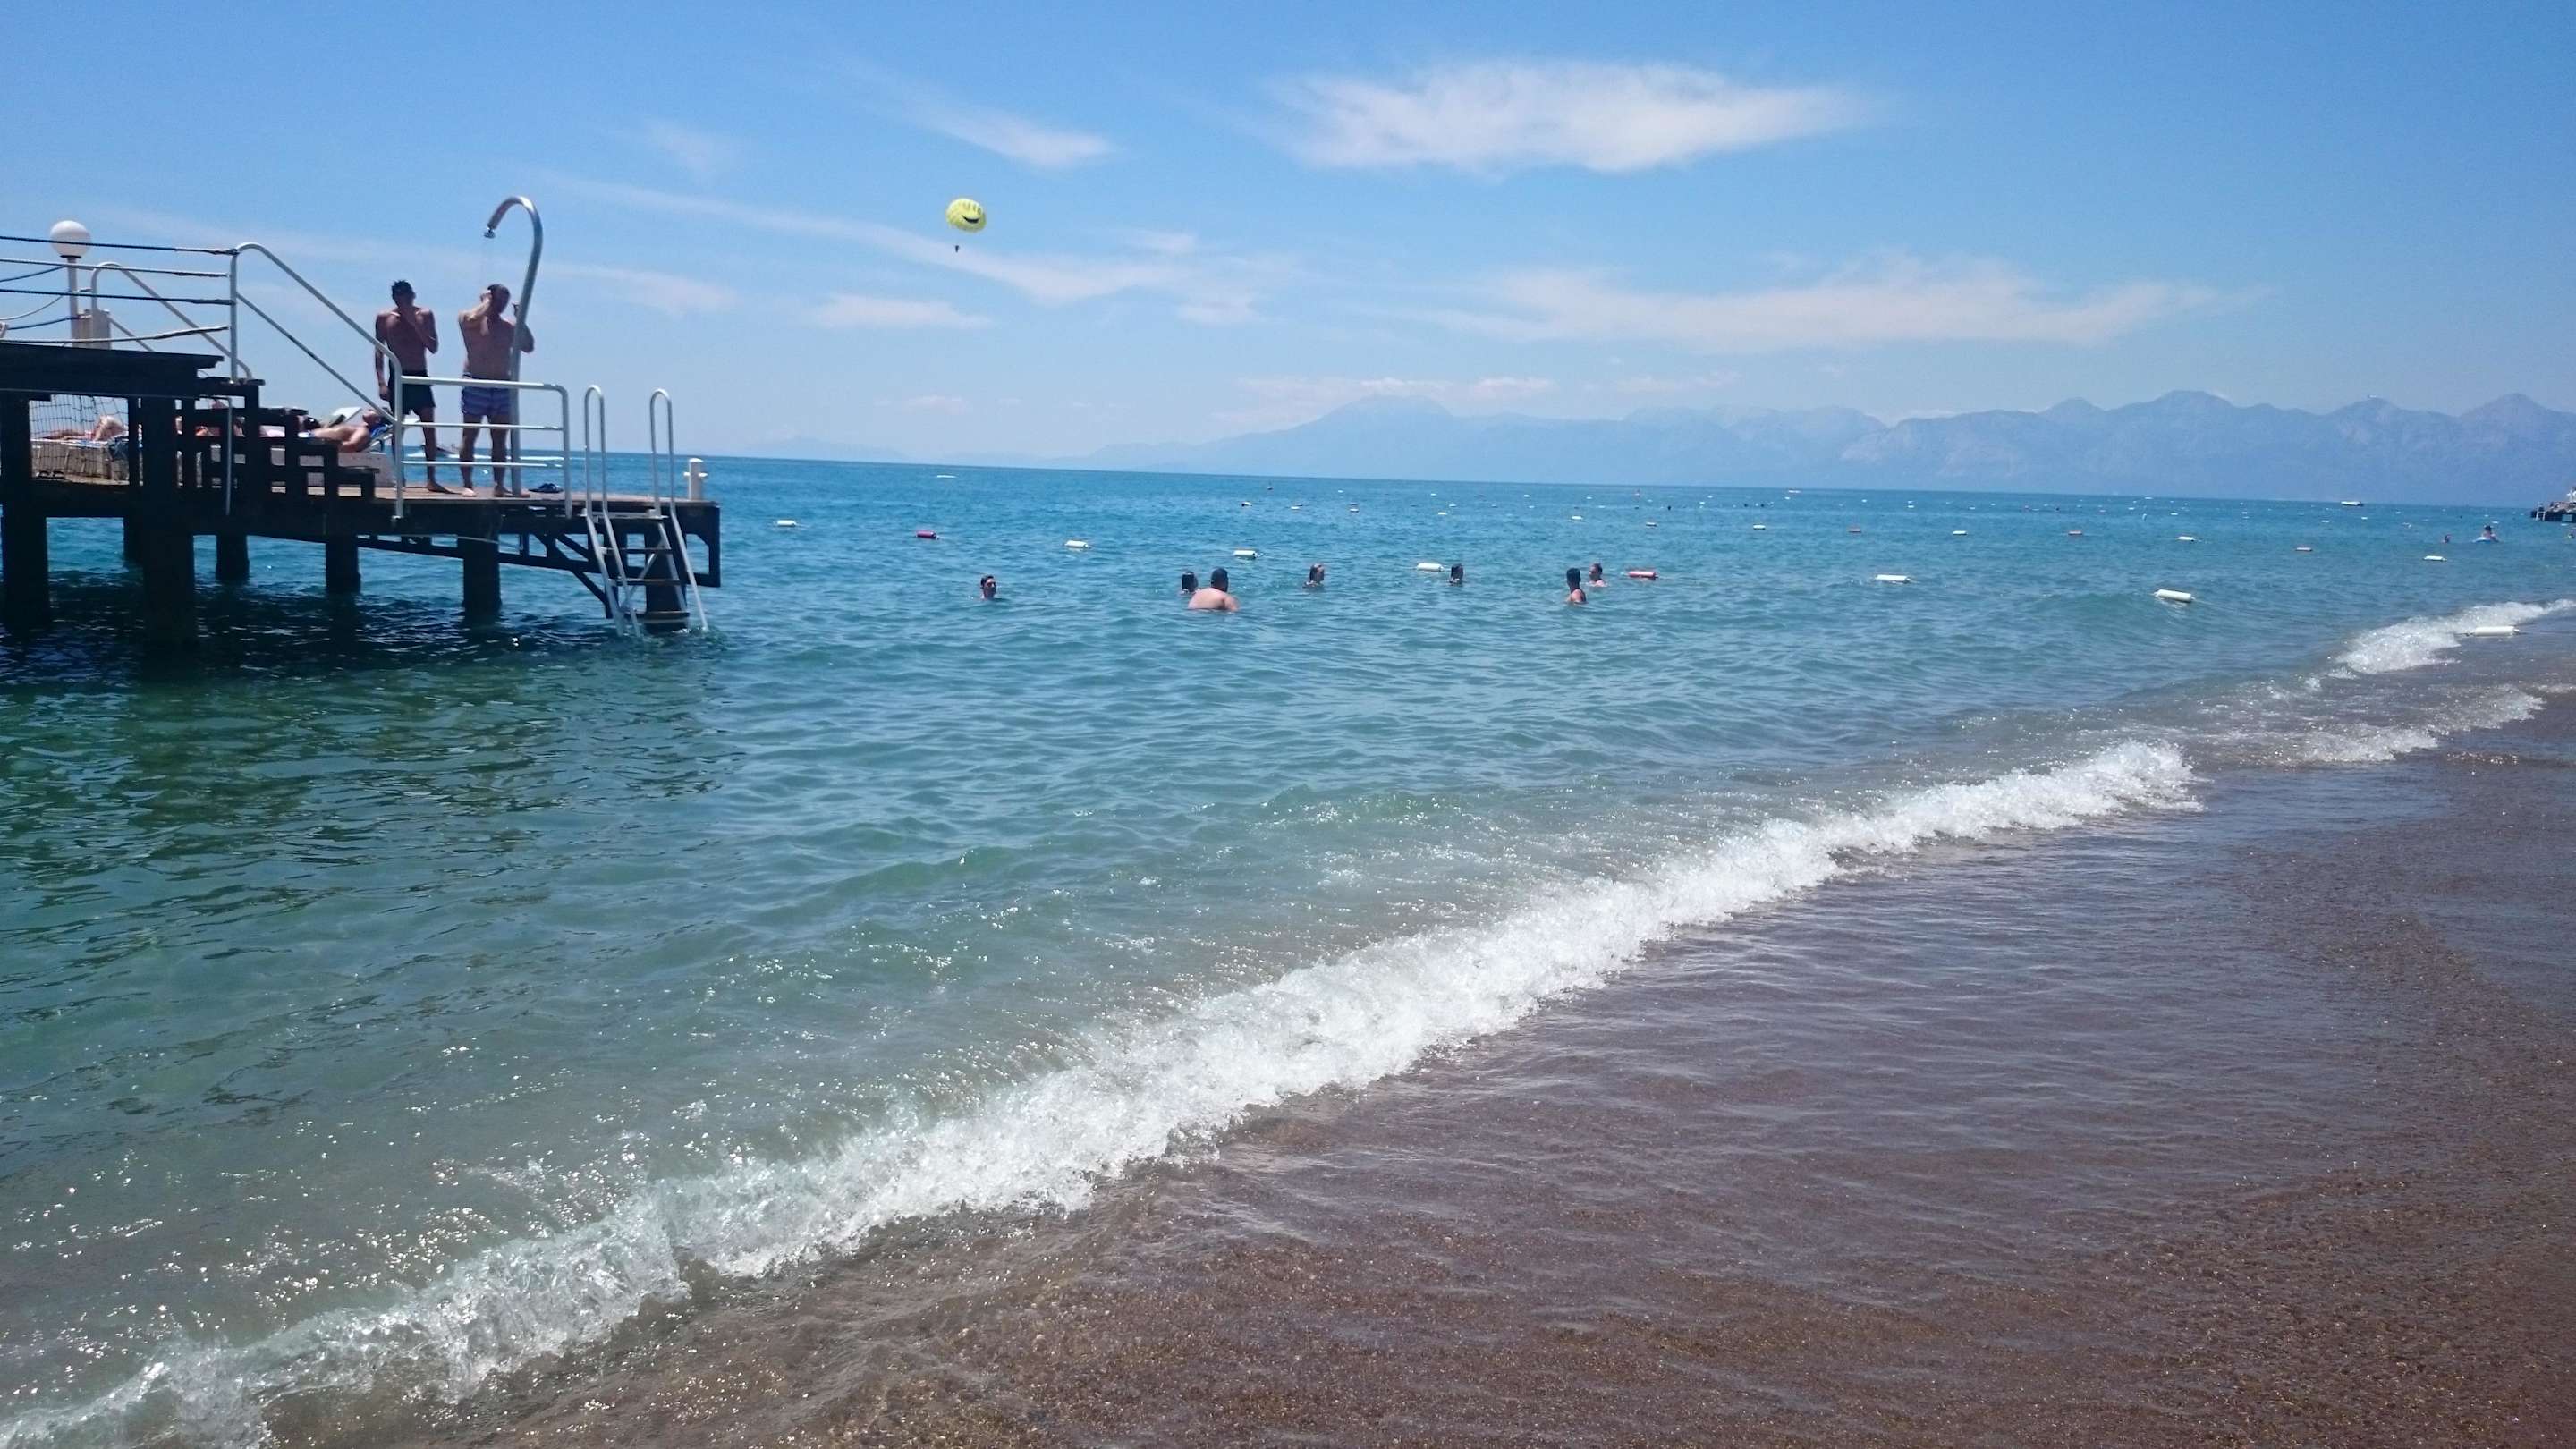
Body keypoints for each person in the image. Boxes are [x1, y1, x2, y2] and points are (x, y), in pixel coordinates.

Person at [457, 283, 535, 496]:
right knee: (469, 435)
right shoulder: (469, 319)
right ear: (488, 297)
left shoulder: (508, 326)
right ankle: (467, 484)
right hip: (476, 383)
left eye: (504, 301)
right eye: (498, 300)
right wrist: (486, 301)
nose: (501, 305)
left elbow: (528, 346)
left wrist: (520, 320)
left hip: (501, 385)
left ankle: (499, 484)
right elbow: (472, 318)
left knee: (500, 438)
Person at [372, 280, 449, 490]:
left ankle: (431, 478)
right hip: (398, 376)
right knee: (398, 427)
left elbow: (433, 347)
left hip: (419, 375)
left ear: (413, 296)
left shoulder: (425, 315)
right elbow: (379, 351)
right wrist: (381, 382)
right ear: (395, 298)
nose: (405, 300)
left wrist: (414, 323)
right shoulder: (384, 318)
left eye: (408, 296)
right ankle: (400, 477)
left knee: (428, 426)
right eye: (400, 297)